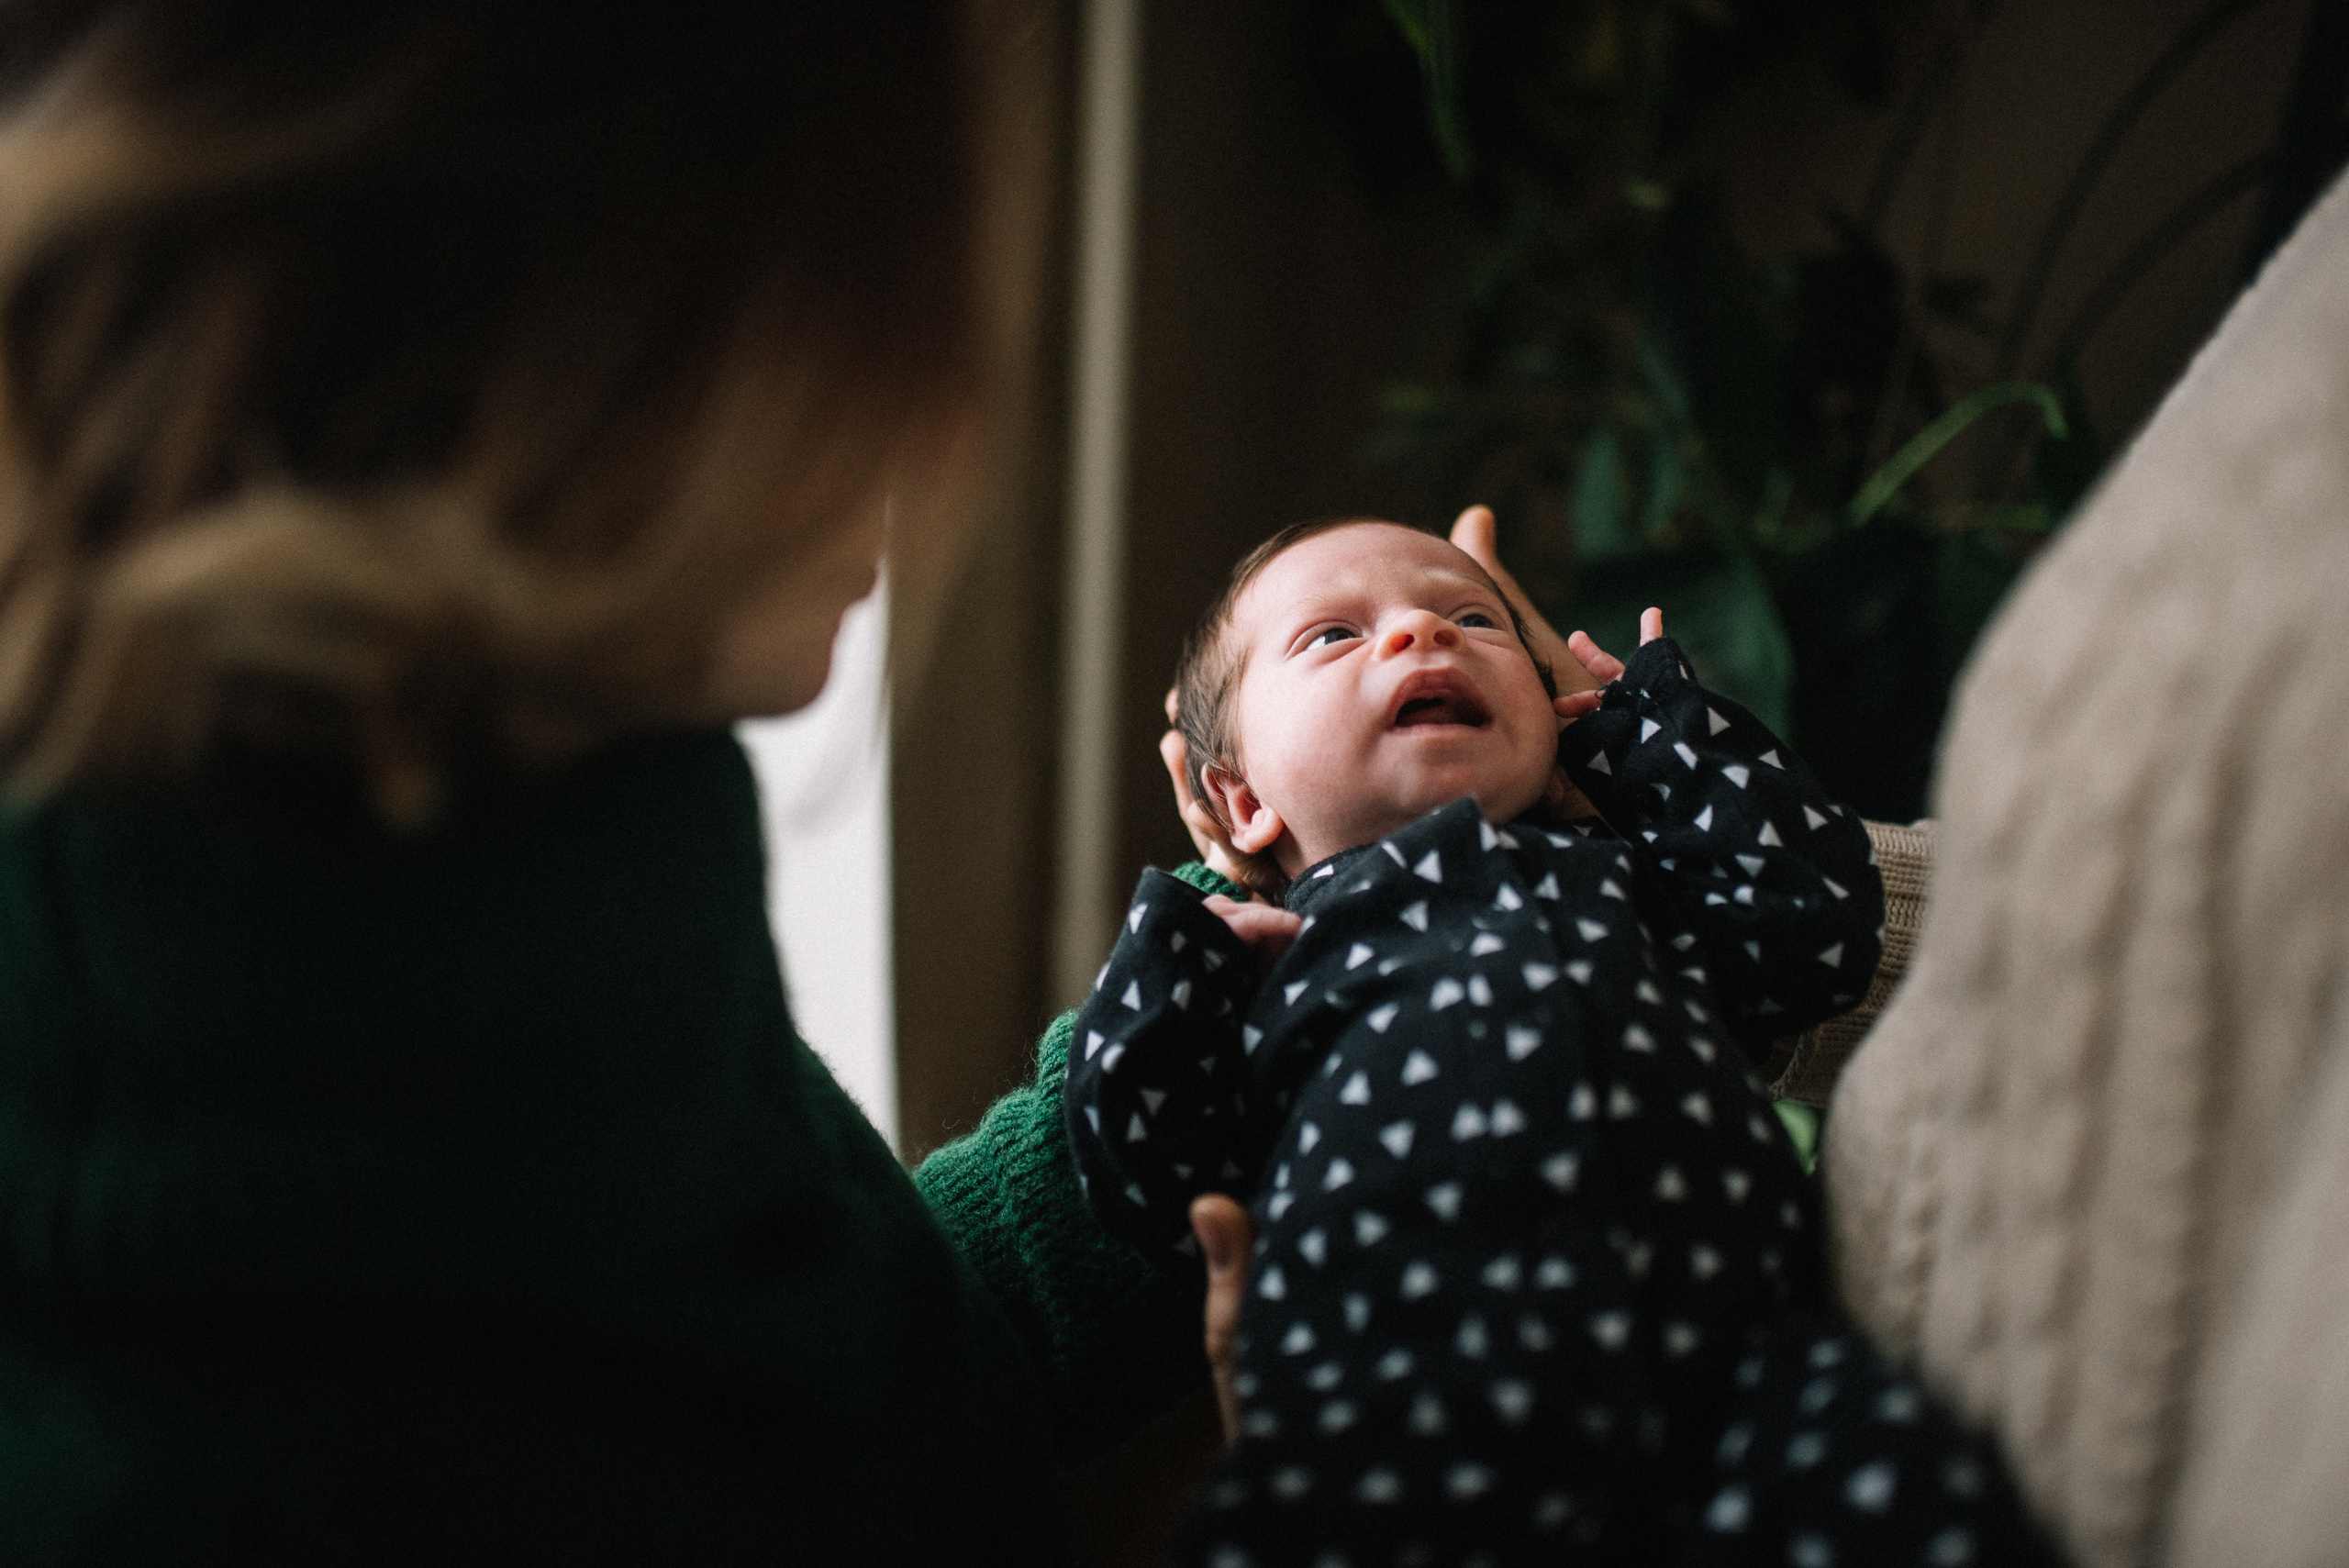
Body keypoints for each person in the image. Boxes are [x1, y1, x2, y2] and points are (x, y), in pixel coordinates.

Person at [0, 3, 1209, 1559]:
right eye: (873, 270)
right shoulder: (234, 1419)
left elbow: (852, 1385)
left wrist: (1163, 1117)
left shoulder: (519, 884)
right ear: (593, 328)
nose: (940, 414)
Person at [1077, 518, 2049, 1565]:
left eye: (1471, 618)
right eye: (1331, 636)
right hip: (1398, 1411)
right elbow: (1146, 1173)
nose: (1418, 632)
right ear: (1241, 799)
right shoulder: (1278, 965)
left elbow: (1816, 926)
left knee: (1919, 1496)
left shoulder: (1642, 882)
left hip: (1724, 1384)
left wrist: (1643, 738)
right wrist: (1171, 963)